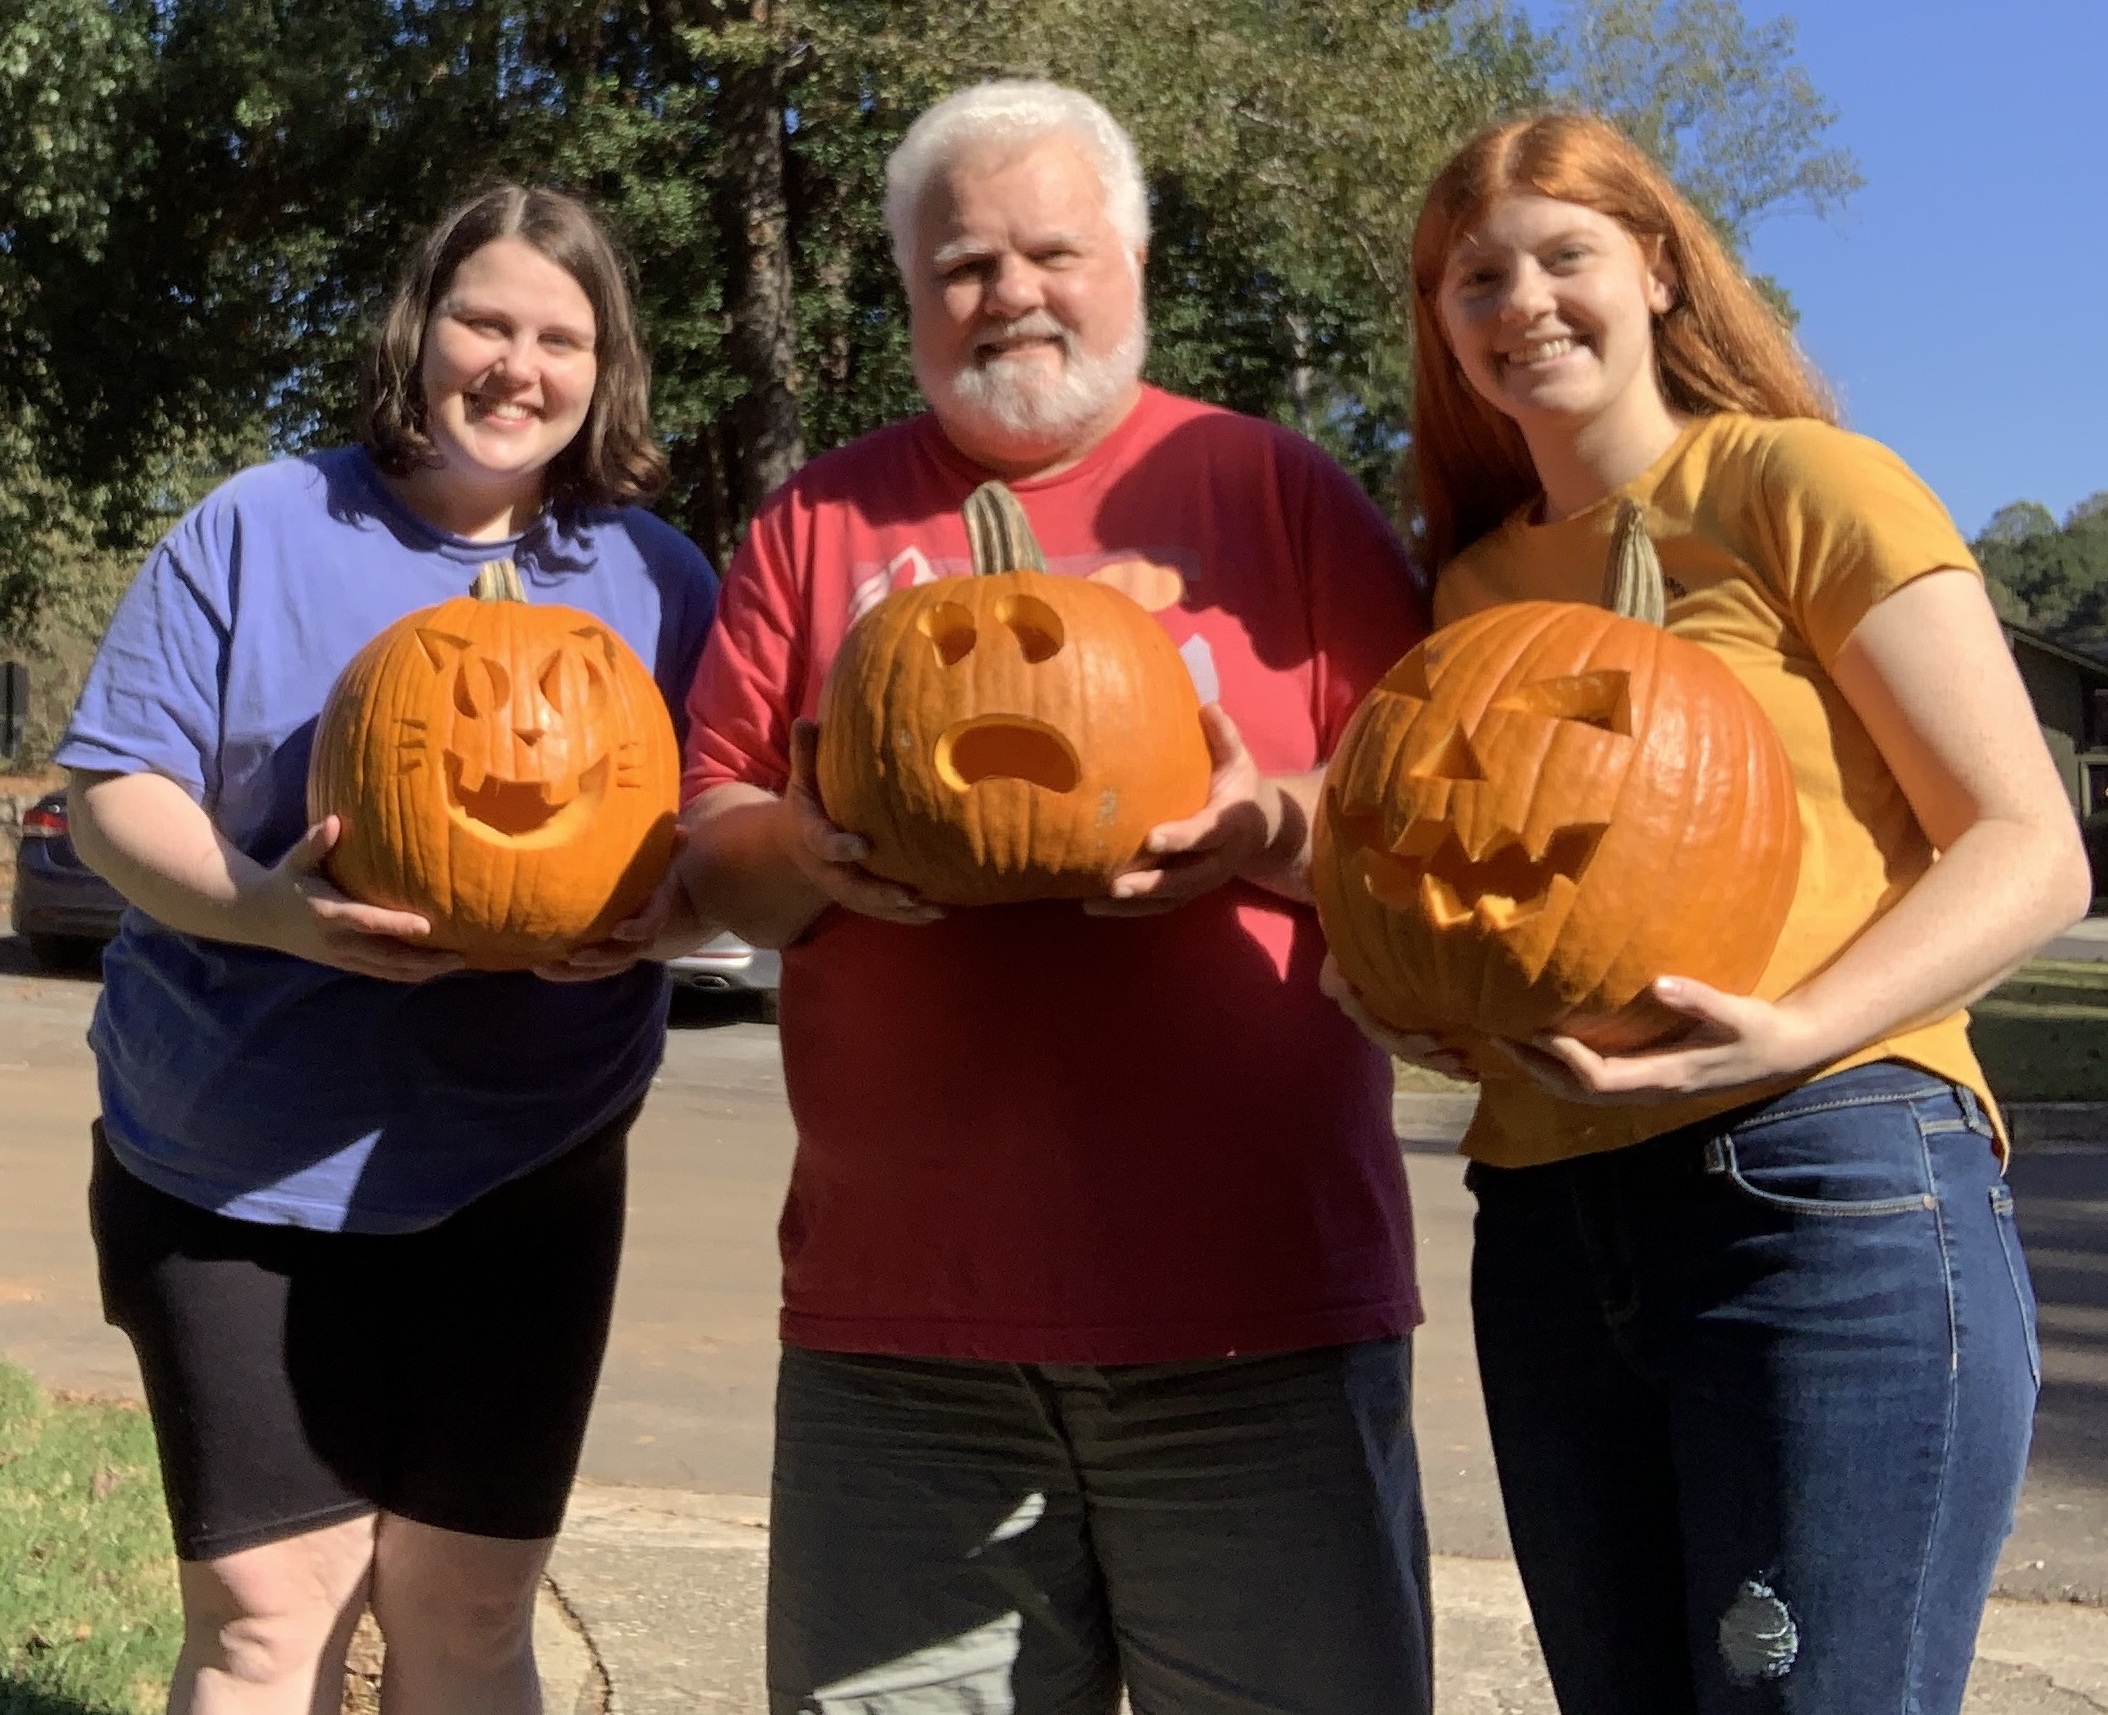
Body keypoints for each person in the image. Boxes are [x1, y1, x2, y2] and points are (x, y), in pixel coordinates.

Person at [680, 79, 1434, 1715]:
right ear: (908, 292)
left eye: (1050, 252)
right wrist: (802, 854)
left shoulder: (1281, 495)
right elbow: (703, 837)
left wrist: (1269, 824)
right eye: (962, 266)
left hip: (1258, 1319)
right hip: (903, 1337)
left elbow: (1439, 808)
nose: (1009, 293)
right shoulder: (814, 523)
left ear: (1135, 259)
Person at [1336, 109, 2091, 1714]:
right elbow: (1480, 875)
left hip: (1825, 1176)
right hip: (1544, 1223)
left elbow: (2032, 846)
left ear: (1663, 273)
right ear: (1438, 321)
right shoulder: (1465, 590)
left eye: (1565, 255)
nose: (1520, 300)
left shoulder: (1800, 485)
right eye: (1475, 275)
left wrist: (1805, 1024)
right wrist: (1408, 989)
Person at [59, 185, 719, 1715]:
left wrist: (658, 923)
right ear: (419, 328)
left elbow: (726, 825)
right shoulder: (264, 524)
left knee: (474, 1614)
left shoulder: (660, 580)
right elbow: (112, 791)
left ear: (603, 367)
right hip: (233, 1153)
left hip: (526, 1162)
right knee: (267, 1621)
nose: (516, 365)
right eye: (484, 320)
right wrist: (270, 912)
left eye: (561, 336)